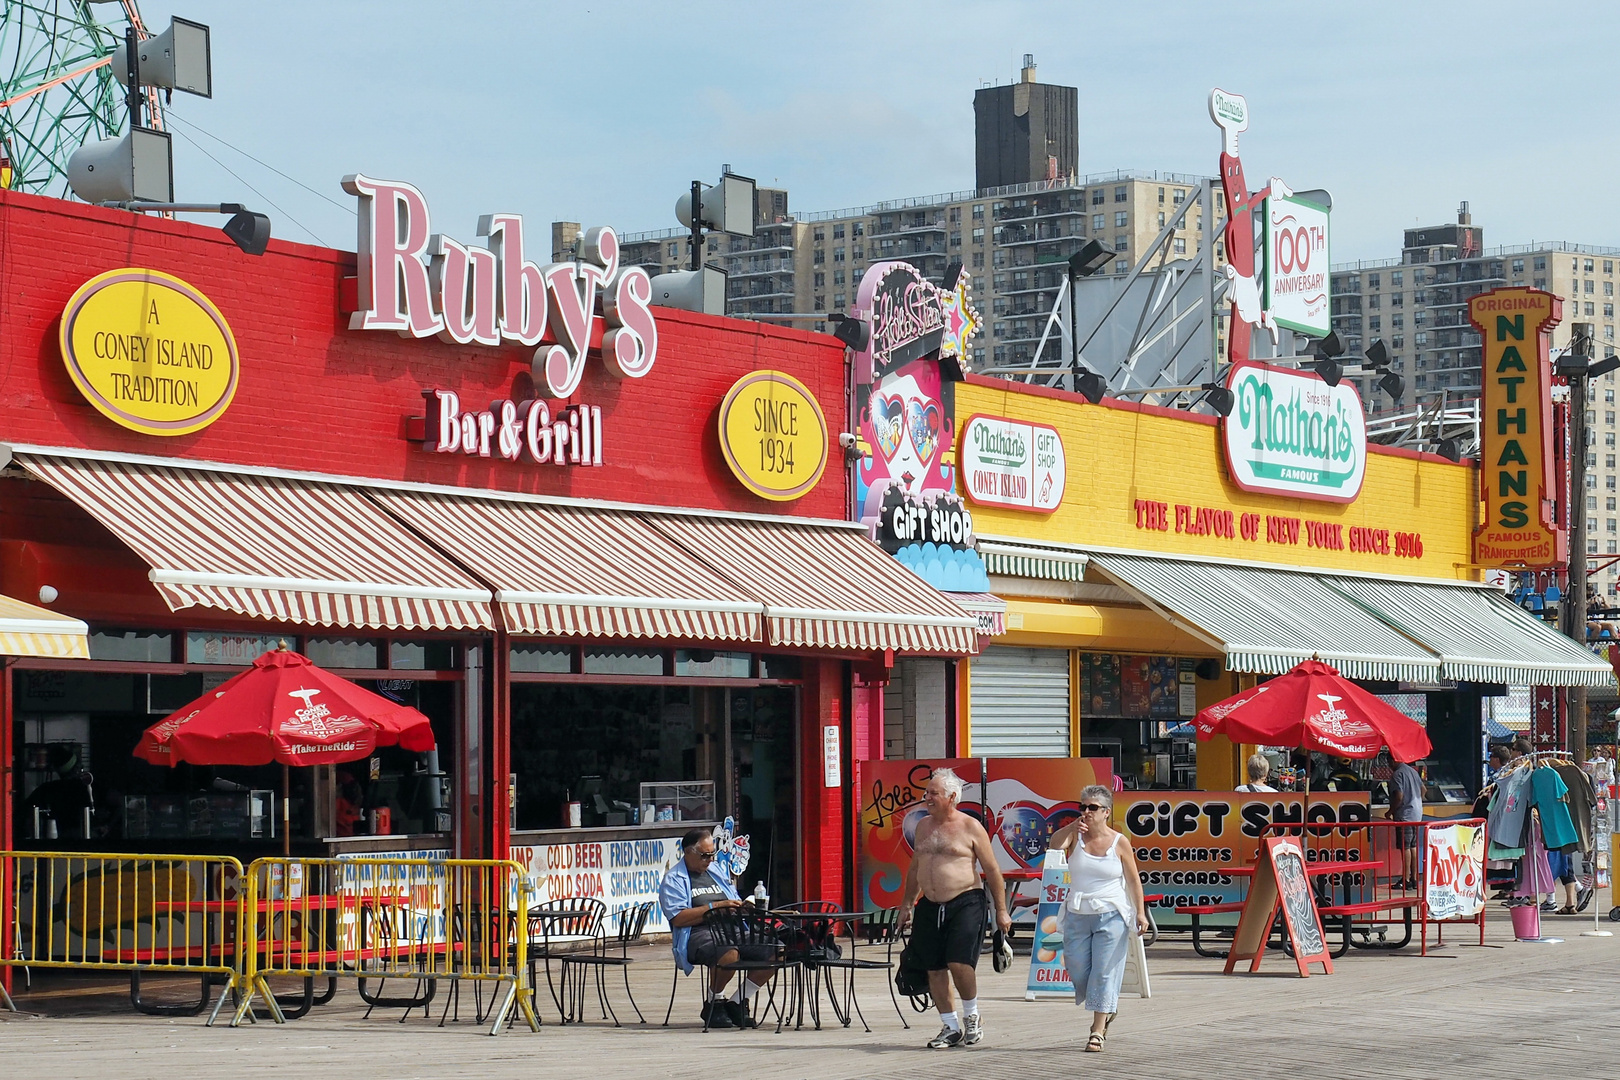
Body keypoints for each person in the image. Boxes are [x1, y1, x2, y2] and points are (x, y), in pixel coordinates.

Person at [897, 767, 1011, 1049]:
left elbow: (992, 870)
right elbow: (915, 868)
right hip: (930, 904)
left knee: (959, 963)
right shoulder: (922, 826)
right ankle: (949, 1026)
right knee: (934, 968)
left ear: (952, 797)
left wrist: (1001, 910)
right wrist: (907, 904)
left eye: (934, 793)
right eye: (926, 793)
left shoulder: (970, 827)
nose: (928, 798)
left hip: (966, 900)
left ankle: (972, 1017)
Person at [1047, 785, 1148, 1054]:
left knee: (1104, 972)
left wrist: (1139, 912)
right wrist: (1070, 828)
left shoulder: (1119, 841)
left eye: (1092, 808)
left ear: (1106, 812)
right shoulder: (1075, 837)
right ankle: (1107, 1006)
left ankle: (1097, 1029)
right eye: (1083, 807)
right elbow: (1054, 847)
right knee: (1078, 970)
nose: (1086, 812)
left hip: (1111, 913)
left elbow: (1133, 879)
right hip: (1078, 913)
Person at [658, 826, 773, 1029]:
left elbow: (731, 899)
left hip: (732, 927)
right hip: (698, 933)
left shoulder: (716, 870)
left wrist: (741, 906)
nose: (710, 860)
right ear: (688, 852)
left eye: (712, 854)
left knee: (776, 950)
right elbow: (678, 918)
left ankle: (737, 1002)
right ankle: (715, 1001)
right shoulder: (673, 879)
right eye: (705, 855)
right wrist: (715, 907)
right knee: (729, 952)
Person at [1386, 758, 1426, 887]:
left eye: (1389, 762)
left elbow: (1399, 796)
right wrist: (1416, 801)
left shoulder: (1398, 774)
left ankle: (1406, 879)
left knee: (1405, 847)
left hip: (1405, 815)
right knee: (1412, 846)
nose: (1389, 765)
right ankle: (1414, 878)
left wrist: (1390, 811)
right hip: (1416, 814)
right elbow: (1424, 790)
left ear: (1392, 761)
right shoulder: (1412, 771)